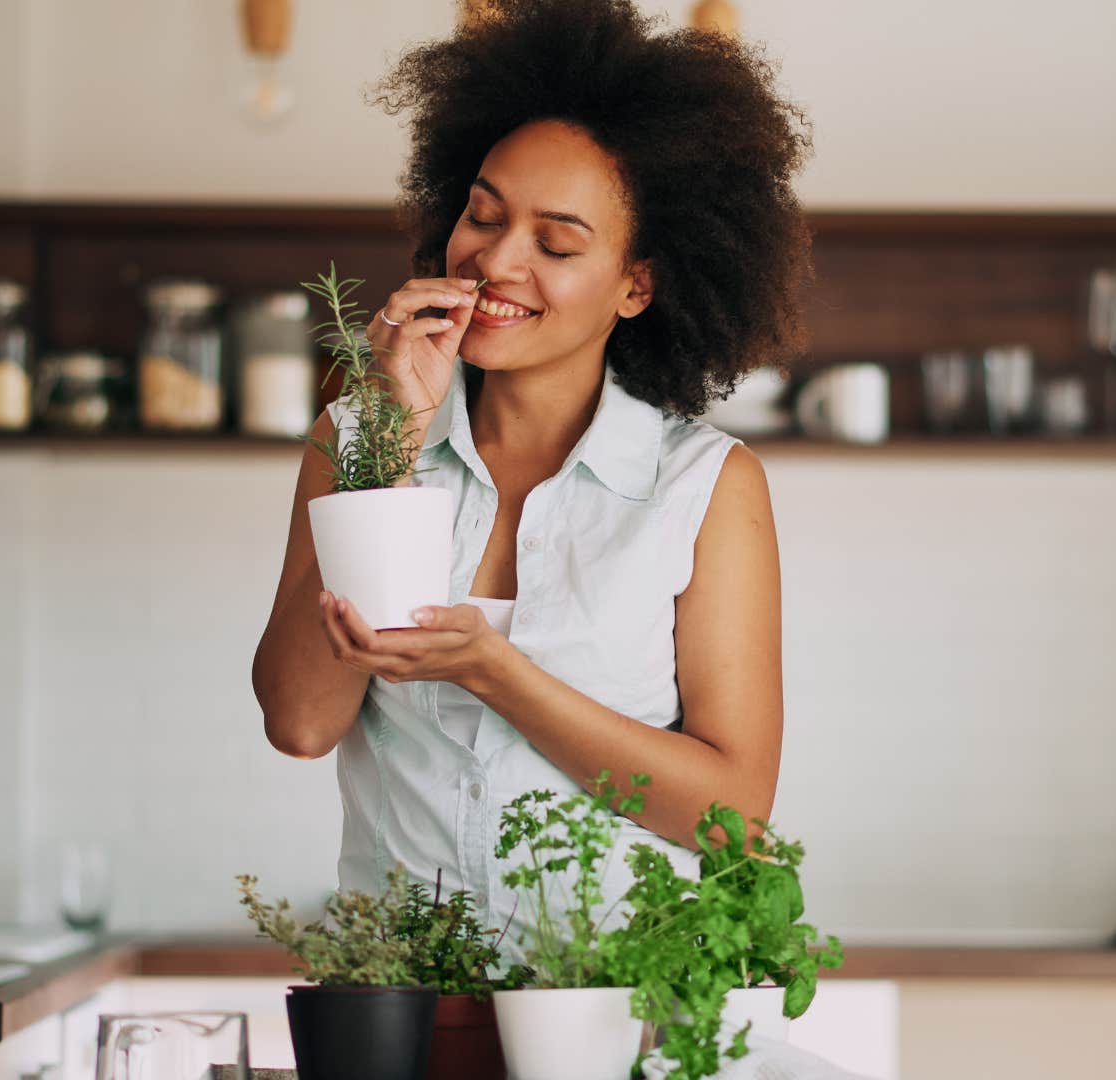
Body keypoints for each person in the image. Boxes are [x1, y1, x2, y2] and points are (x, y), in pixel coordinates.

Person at [251, 0, 812, 946]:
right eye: (482, 215)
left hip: (611, 1009)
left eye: (555, 244)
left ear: (638, 284)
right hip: (407, 998)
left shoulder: (706, 486)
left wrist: (494, 672)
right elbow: (301, 722)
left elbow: (733, 815)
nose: (497, 262)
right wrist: (390, 441)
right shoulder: (359, 435)